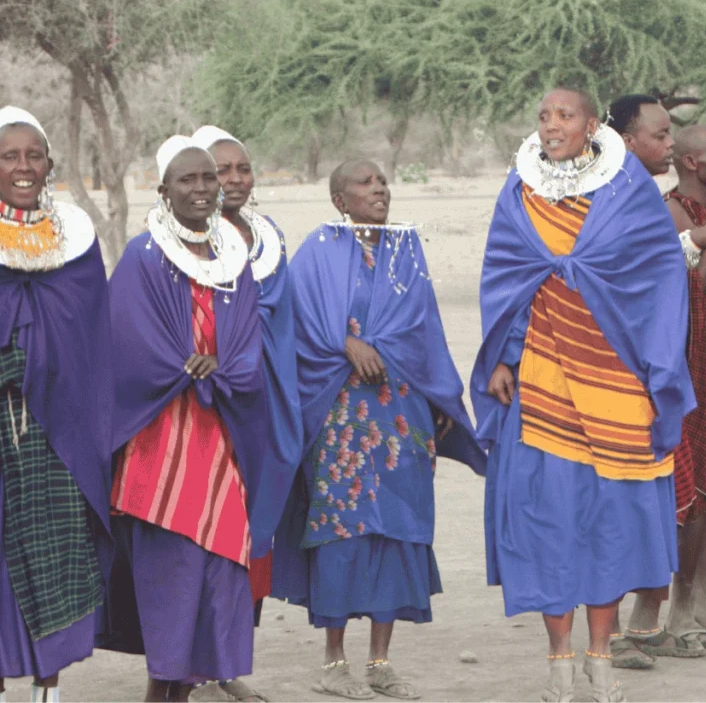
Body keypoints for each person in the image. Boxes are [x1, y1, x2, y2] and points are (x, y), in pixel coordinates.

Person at [473, 87, 696, 702]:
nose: (551, 125)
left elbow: (658, 280)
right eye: (543, 115)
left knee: (611, 523)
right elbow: (506, 277)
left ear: (591, 124)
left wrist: (656, 372)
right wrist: (501, 356)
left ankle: (601, 662)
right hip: (541, 381)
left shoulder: (626, 188)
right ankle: (558, 667)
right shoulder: (518, 189)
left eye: (564, 116)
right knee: (548, 521)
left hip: (618, 376)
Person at [272, 159, 485, 701]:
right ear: (339, 199)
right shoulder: (318, 250)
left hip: (401, 415)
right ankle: (335, 662)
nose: (379, 189)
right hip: (339, 414)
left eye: (383, 181)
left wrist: (438, 394)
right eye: (365, 183)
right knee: (343, 531)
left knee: (397, 527)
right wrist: (345, 343)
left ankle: (381, 661)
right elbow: (291, 325)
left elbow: (425, 324)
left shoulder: (406, 249)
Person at [101, 136, 269, 702]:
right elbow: (123, 345)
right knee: (171, 573)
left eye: (207, 179)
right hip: (160, 442)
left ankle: (186, 687)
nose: (200, 189)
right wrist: (180, 364)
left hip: (220, 439)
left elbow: (250, 343)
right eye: (186, 180)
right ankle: (160, 689)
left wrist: (223, 366)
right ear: (163, 191)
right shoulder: (142, 257)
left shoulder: (234, 261)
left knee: (217, 570)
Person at [605, 96, 706, 666]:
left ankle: (654, 619)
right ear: (628, 138)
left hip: (688, 359)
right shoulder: (625, 200)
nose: (667, 145)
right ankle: (612, 629)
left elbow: (694, 286)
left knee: (692, 487)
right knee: (629, 491)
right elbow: (642, 279)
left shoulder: (662, 200)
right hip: (638, 362)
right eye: (661, 136)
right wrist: (702, 240)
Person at [0, 106, 114, 703]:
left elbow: (91, 336)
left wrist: (39, 363)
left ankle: (50, 689)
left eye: (33, 155)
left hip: (56, 431)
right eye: (9, 156)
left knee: (54, 552)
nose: (23, 166)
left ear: (50, 165)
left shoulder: (74, 242)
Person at [189, 126, 304, 702]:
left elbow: (287, 322)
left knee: (254, 535)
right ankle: (192, 667)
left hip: (268, 407)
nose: (233, 180)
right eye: (220, 170)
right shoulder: (180, 237)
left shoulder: (269, 236)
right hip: (208, 409)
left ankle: (230, 665)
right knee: (205, 533)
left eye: (242, 169)